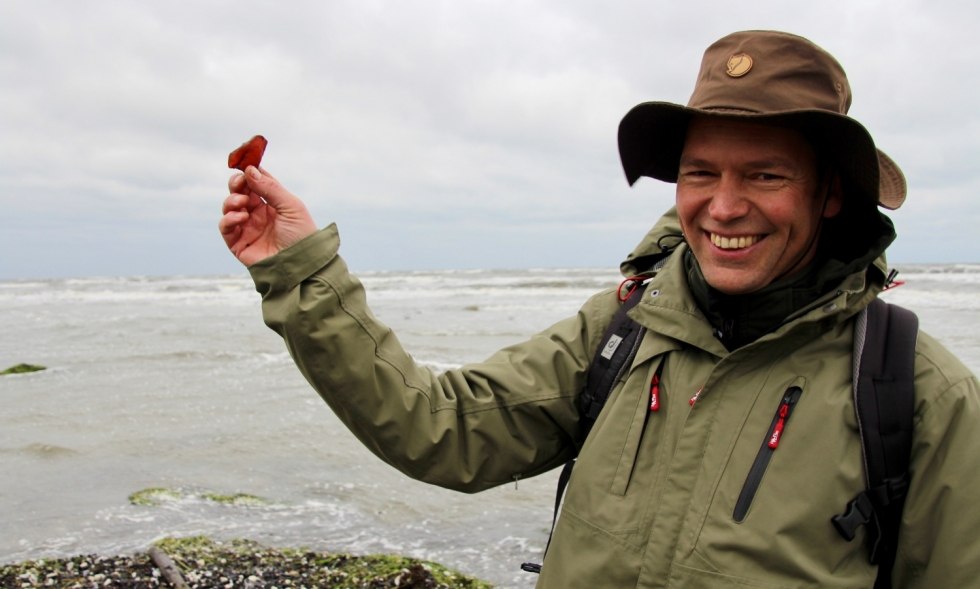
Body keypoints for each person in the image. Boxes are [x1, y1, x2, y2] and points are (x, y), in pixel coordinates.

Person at [220, 30, 980, 588]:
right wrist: (301, 269)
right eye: (700, 172)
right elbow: (439, 427)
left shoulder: (913, 392)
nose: (724, 205)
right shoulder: (622, 329)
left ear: (831, 192)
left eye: (766, 174)